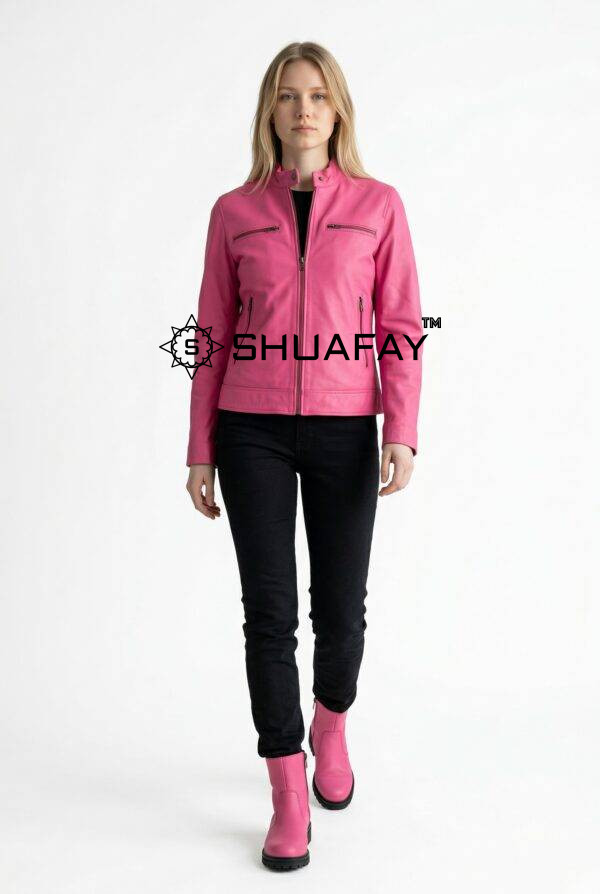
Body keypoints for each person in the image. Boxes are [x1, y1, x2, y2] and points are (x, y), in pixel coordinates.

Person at [186, 41, 424, 871]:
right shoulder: (233, 212)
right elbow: (211, 333)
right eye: (288, 96)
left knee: (342, 611)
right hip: (248, 426)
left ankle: (333, 720)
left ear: (338, 110)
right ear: (270, 111)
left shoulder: (379, 206)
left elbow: (400, 325)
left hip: (344, 426)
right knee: (269, 614)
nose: (303, 110)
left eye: (318, 95)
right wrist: (199, 446)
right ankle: (288, 790)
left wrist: (401, 427)